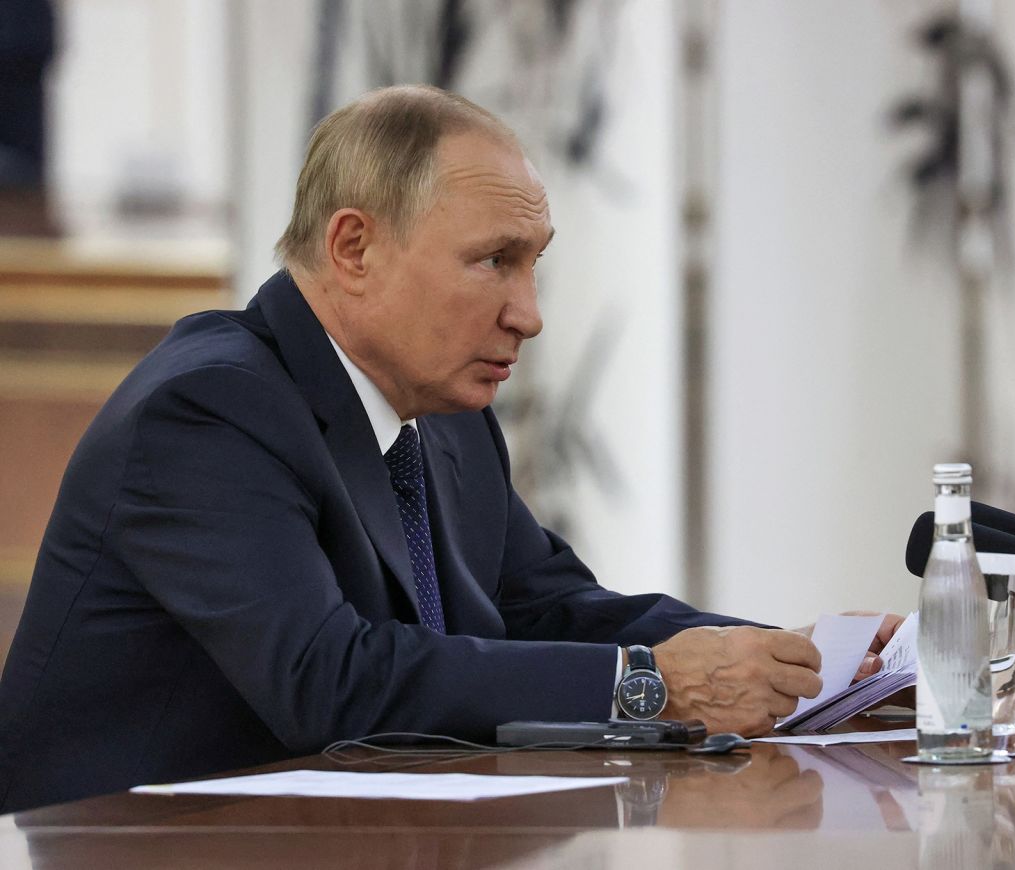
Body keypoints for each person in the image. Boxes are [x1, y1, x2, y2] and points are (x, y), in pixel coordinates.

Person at [0, 85, 901, 812]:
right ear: (353, 246)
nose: (530, 313)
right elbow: (331, 681)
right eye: (493, 261)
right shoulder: (209, 409)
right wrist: (652, 688)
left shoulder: (447, 415)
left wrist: (801, 665)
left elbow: (550, 607)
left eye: (534, 262)